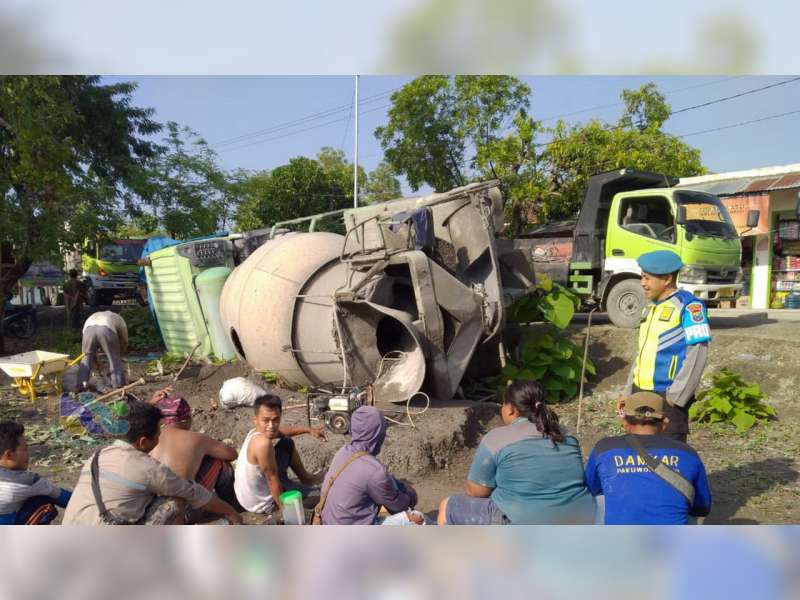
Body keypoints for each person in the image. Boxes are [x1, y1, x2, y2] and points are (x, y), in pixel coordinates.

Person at [63, 398, 242, 525]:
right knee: (173, 502)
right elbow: (192, 492)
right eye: (157, 434)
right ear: (143, 442)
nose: (160, 436)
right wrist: (230, 512)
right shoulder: (148, 468)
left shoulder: (97, 457)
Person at [438, 380, 594, 525]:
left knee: (448, 506)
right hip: (581, 518)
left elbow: (477, 491)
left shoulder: (497, 438)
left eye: (503, 404)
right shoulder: (567, 436)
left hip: (525, 523)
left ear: (511, 409)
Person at [618, 250, 711, 442]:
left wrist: (676, 396)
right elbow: (642, 354)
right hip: (639, 392)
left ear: (667, 279)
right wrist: (628, 391)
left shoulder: (690, 307)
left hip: (667, 396)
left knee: (668, 453)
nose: (642, 283)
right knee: (639, 451)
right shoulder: (650, 307)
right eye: (642, 277)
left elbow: (698, 354)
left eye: (647, 278)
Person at [585, 391, 712, 525]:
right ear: (665, 422)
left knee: (599, 500)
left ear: (624, 422)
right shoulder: (687, 453)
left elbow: (590, 490)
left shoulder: (604, 448)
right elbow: (702, 507)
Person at [318, 406, 424, 525]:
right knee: (418, 519)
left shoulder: (343, 451)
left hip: (329, 522)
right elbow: (398, 506)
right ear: (377, 434)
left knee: (391, 482)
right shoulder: (374, 471)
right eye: (383, 431)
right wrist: (411, 496)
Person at [148, 389, 239, 517]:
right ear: (187, 418)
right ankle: (229, 505)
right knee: (220, 463)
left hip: (156, 511)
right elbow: (232, 455)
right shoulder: (195, 438)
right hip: (185, 511)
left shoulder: (150, 438)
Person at [234, 394, 326, 516]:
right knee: (321, 496)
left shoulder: (257, 431)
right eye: (266, 420)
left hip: (245, 496)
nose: (271, 425)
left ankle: (306, 479)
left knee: (286, 443)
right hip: (262, 503)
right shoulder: (263, 444)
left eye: (276, 420)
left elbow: (280, 432)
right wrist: (287, 512)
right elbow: (272, 479)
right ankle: (296, 497)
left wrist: (307, 430)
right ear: (255, 419)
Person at [0, 421, 72, 525]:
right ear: (9, 455)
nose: (29, 454)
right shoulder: (27, 481)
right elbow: (65, 498)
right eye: (25, 449)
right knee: (44, 499)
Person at [77, 310, 128, 390]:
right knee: (114, 358)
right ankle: (118, 384)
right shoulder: (120, 319)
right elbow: (125, 340)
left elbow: (91, 352)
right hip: (106, 329)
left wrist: (98, 364)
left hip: (88, 331)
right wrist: (120, 353)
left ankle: (81, 385)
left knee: (86, 359)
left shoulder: (95, 316)